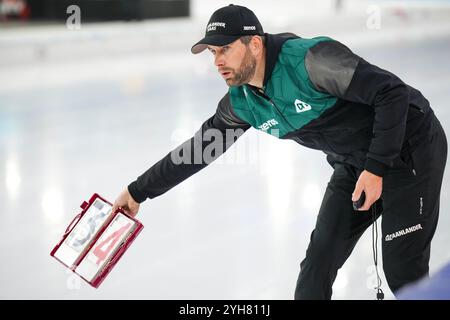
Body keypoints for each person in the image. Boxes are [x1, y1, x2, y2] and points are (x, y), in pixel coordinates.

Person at [112, 4, 448, 299]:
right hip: (353, 164)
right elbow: (200, 150)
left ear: (254, 44)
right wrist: (138, 190)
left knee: (403, 272)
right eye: (212, 53)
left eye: (225, 49)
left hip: (411, 148)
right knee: (315, 272)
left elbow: (391, 93)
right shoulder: (242, 102)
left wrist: (375, 169)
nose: (217, 61)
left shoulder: (311, 60)